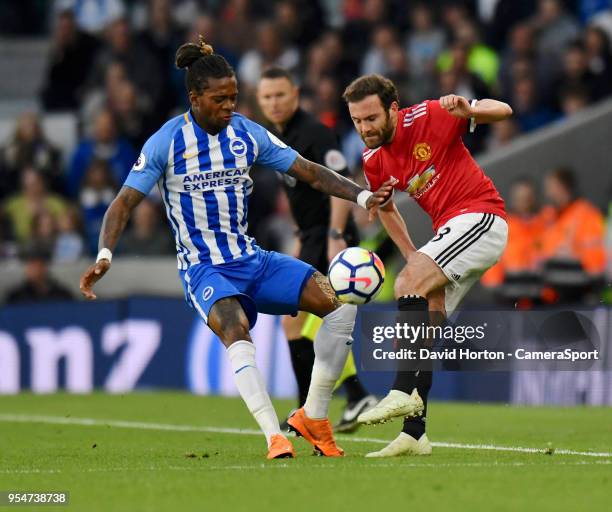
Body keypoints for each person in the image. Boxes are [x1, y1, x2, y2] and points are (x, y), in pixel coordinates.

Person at [79, 38, 391, 460]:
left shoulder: (246, 133)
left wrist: (361, 197)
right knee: (235, 328)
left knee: (338, 303)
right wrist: (104, 255)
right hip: (204, 269)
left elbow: (310, 172)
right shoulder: (166, 142)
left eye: (233, 97)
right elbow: (123, 203)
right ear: (195, 98)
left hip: (253, 260)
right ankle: (273, 436)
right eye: (219, 99)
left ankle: (314, 415)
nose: (229, 106)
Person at [342, 74, 511, 457]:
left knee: (409, 284)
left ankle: (401, 391)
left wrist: (471, 109)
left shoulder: (430, 115)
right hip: (451, 229)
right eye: (357, 121)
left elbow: (504, 110)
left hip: (481, 218)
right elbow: (385, 207)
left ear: (393, 110)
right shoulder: (373, 160)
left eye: (371, 118)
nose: (365, 128)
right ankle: (414, 433)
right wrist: (410, 255)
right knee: (428, 318)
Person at [256, 66, 377, 433]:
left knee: (297, 321)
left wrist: (336, 233)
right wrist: (299, 233)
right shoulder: (279, 136)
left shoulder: (313, 132)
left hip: (329, 235)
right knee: (308, 324)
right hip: (310, 235)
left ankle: (313, 411)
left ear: (295, 93)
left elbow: (340, 181)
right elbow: (298, 193)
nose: (274, 103)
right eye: (266, 97)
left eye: (280, 94)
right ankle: (348, 399)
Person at [6, 244, 74, 304]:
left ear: (45, 268)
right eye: (31, 265)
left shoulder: (61, 295)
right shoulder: (16, 297)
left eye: (38, 265)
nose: (34, 270)